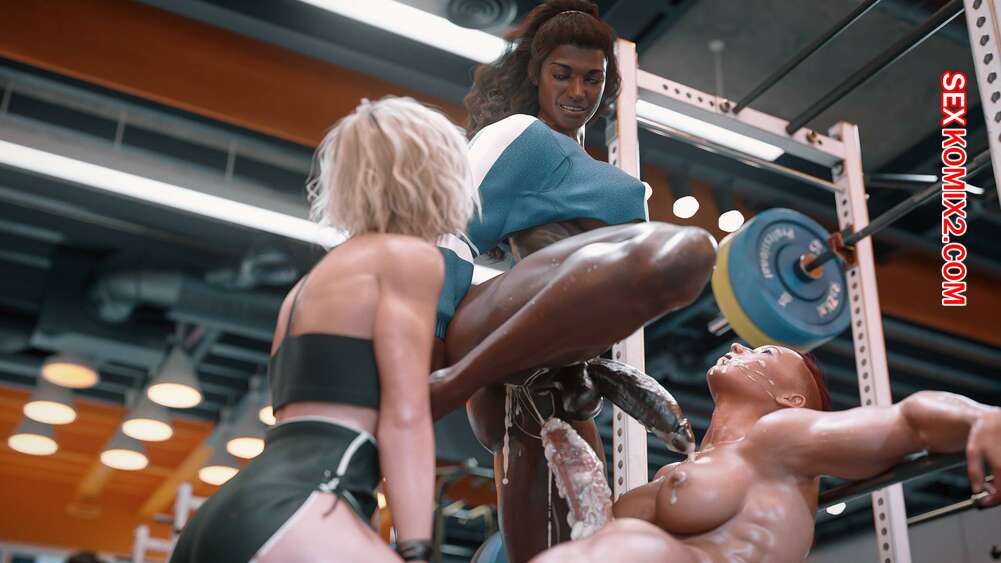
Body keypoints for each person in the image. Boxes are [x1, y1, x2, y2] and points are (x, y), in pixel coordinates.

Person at [427, 1, 715, 560]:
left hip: (565, 356)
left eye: (593, 78)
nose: (579, 91)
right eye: (563, 74)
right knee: (686, 251)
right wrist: (433, 345)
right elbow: (448, 228)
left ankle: (593, 371)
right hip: (509, 325)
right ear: (536, 73)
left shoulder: (598, 169)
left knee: (587, 520)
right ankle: (475, 377)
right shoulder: (520, 134)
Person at [170, 97, 480, 563]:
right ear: (437, 176)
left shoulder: (306, 287)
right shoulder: (407, 259)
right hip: (298, 509)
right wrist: (416, 549)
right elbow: (405, 416)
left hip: (226, 515)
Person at [530, 342, 1001, 563]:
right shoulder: (676, 469)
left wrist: (982, 416)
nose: (738, 346)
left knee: (628, 545)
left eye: (766, 353)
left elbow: (908, 422)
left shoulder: (780, 438)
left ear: (792, 399)